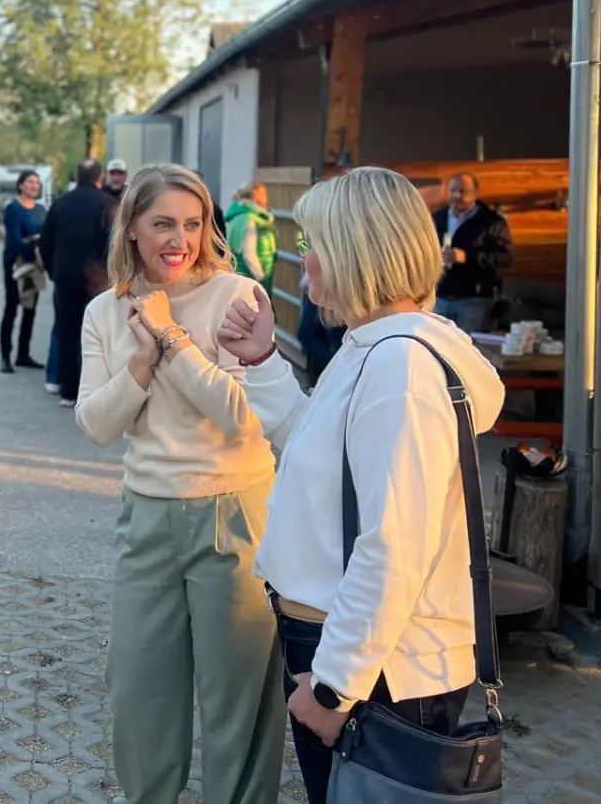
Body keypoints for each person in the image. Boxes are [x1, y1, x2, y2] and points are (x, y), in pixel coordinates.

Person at [216, 166, 506, 804]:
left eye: (312, 244)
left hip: (372, 666)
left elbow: (392, 547)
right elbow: (320, 458)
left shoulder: (399, 366)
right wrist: (264, 363)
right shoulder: (371, 348)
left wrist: (332, 688)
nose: (306, 262)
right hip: (351, 648)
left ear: (354, 252)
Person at [75, 163, 284, 804]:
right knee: (139, 692)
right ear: (131, 227)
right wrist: (141, 361)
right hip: (146, 515)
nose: (180, 239)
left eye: (193, 224)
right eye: (163, 223)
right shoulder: (106, 312)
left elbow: (240, 413)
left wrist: (170, 335)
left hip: (235, 511)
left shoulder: (238, 294)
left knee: (238, 703)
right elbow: (96, 424)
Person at [39, 159, 116, 407]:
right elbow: (115, 244)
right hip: (97, 280)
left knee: (67, 330)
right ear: (99, 177)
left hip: (64, 277)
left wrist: (54, 271)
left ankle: (67, 391)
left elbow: (45, 242)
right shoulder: (108, 204)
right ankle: (91, 390)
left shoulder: (60, 203)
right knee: (97, 334)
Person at [433, 171, 513, 333]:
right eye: (452, 191)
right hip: (440, 296)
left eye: (462, 191)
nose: (456, 196)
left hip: (474, 299)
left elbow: (505, 257)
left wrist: (467, 257)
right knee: (436, 347)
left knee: (467, 349)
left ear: (475, 194)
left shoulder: (491, 221)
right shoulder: (437, 218)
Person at [0, 169, 47, 373]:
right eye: (29, 182)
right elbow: (15, 239)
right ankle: (5, 357)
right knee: (12, 308)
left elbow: (46, 235)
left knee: (30, 309)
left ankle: (23, 354)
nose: (34, 185)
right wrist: (34, 255)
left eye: (36, 182)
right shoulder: (12, 209)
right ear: (20, 185)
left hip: (35, 266)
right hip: (16, 265)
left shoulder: (41, 210)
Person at [225, 180, 276, 294]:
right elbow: (249, 255)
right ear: (255, 195)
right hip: (251, 281)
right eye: (264, 196)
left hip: (243, 279)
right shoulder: (249, 219)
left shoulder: (241, 216)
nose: (266, 200)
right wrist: (261, 278)